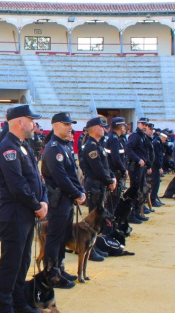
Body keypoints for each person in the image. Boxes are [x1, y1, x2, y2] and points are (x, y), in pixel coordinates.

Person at [0, 105, 47, 313]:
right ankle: (3, 311)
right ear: (19, 122)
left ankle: (18, 300)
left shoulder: (22, 145)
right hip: (15, 213)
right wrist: (37, 205)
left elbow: (37, 177)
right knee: (11, 263)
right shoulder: (8, 148)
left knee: (23, 260)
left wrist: (43, 199)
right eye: (31, 120)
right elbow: (17, 184)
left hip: (26, 212)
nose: (34, 124)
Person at [40, 112, 86, 288]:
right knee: (54, 236)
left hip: (67, 198)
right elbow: (60, 178)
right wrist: (76, 193)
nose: (70, 127)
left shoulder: (65, 146)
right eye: (66, 124)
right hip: (58, 198)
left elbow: (72, 173)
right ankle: (51, 273)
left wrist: (80, 191)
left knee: (63, 235)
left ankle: (59, 267)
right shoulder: (53, 148)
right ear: (56, 126)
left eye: (70, 124)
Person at [79, 117, 116, 261]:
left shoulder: (97, 145)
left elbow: (105, 166)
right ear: (94, 129)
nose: (104, 129)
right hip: (95, 184)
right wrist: (109, 180)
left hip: (100, 184)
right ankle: (90, 249)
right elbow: (98, 168)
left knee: (98, 218)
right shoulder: (91, 146)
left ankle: (94, 246)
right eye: (102, 127)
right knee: (93, 219)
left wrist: (111, 177)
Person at [105, 117, 128, 214]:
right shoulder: (115, 140)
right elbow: (116, 159)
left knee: (112, 202)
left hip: (113, 172)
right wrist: (124, 170)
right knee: (113, 202)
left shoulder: (113, 138)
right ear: (121, 127)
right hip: (115, 173)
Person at [151, 130, 166, 207]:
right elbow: (157, 157)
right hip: (155, 166)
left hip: (156, 166)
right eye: (165, 139)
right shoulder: (157, 143)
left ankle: (154, 199)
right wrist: (159, 167)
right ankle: (153, 200)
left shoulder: (157, 142)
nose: (165, 141)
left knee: (156, 183)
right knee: (155, 183)